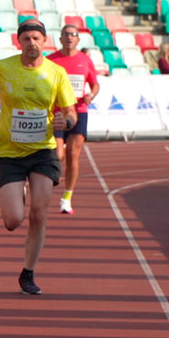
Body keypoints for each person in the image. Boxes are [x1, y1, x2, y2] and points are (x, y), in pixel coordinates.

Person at [0, 19, 77, 295]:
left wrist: (65, 121)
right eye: (27, 38)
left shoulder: (56, 73)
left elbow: (70, 111)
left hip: (43, 151)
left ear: (45, 42)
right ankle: (14, 194)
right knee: (13, 220)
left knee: (39, 214)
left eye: (36, 38)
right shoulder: (3, 69)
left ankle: (28, 273)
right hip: (9, 152)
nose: (32, 43)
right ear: (18, 41)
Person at [48, 24, 99, 214]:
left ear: (78, 39)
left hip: (79, 110)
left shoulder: (85, 60)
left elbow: (94, 84)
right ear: (60, 39)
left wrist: (91, 96)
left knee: (73, 154)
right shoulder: (51, 60)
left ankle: (67, 198)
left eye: (73, 35)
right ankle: (47, 178)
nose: (69, 38)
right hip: (58, 112)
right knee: (58, 154)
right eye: (65, 34)